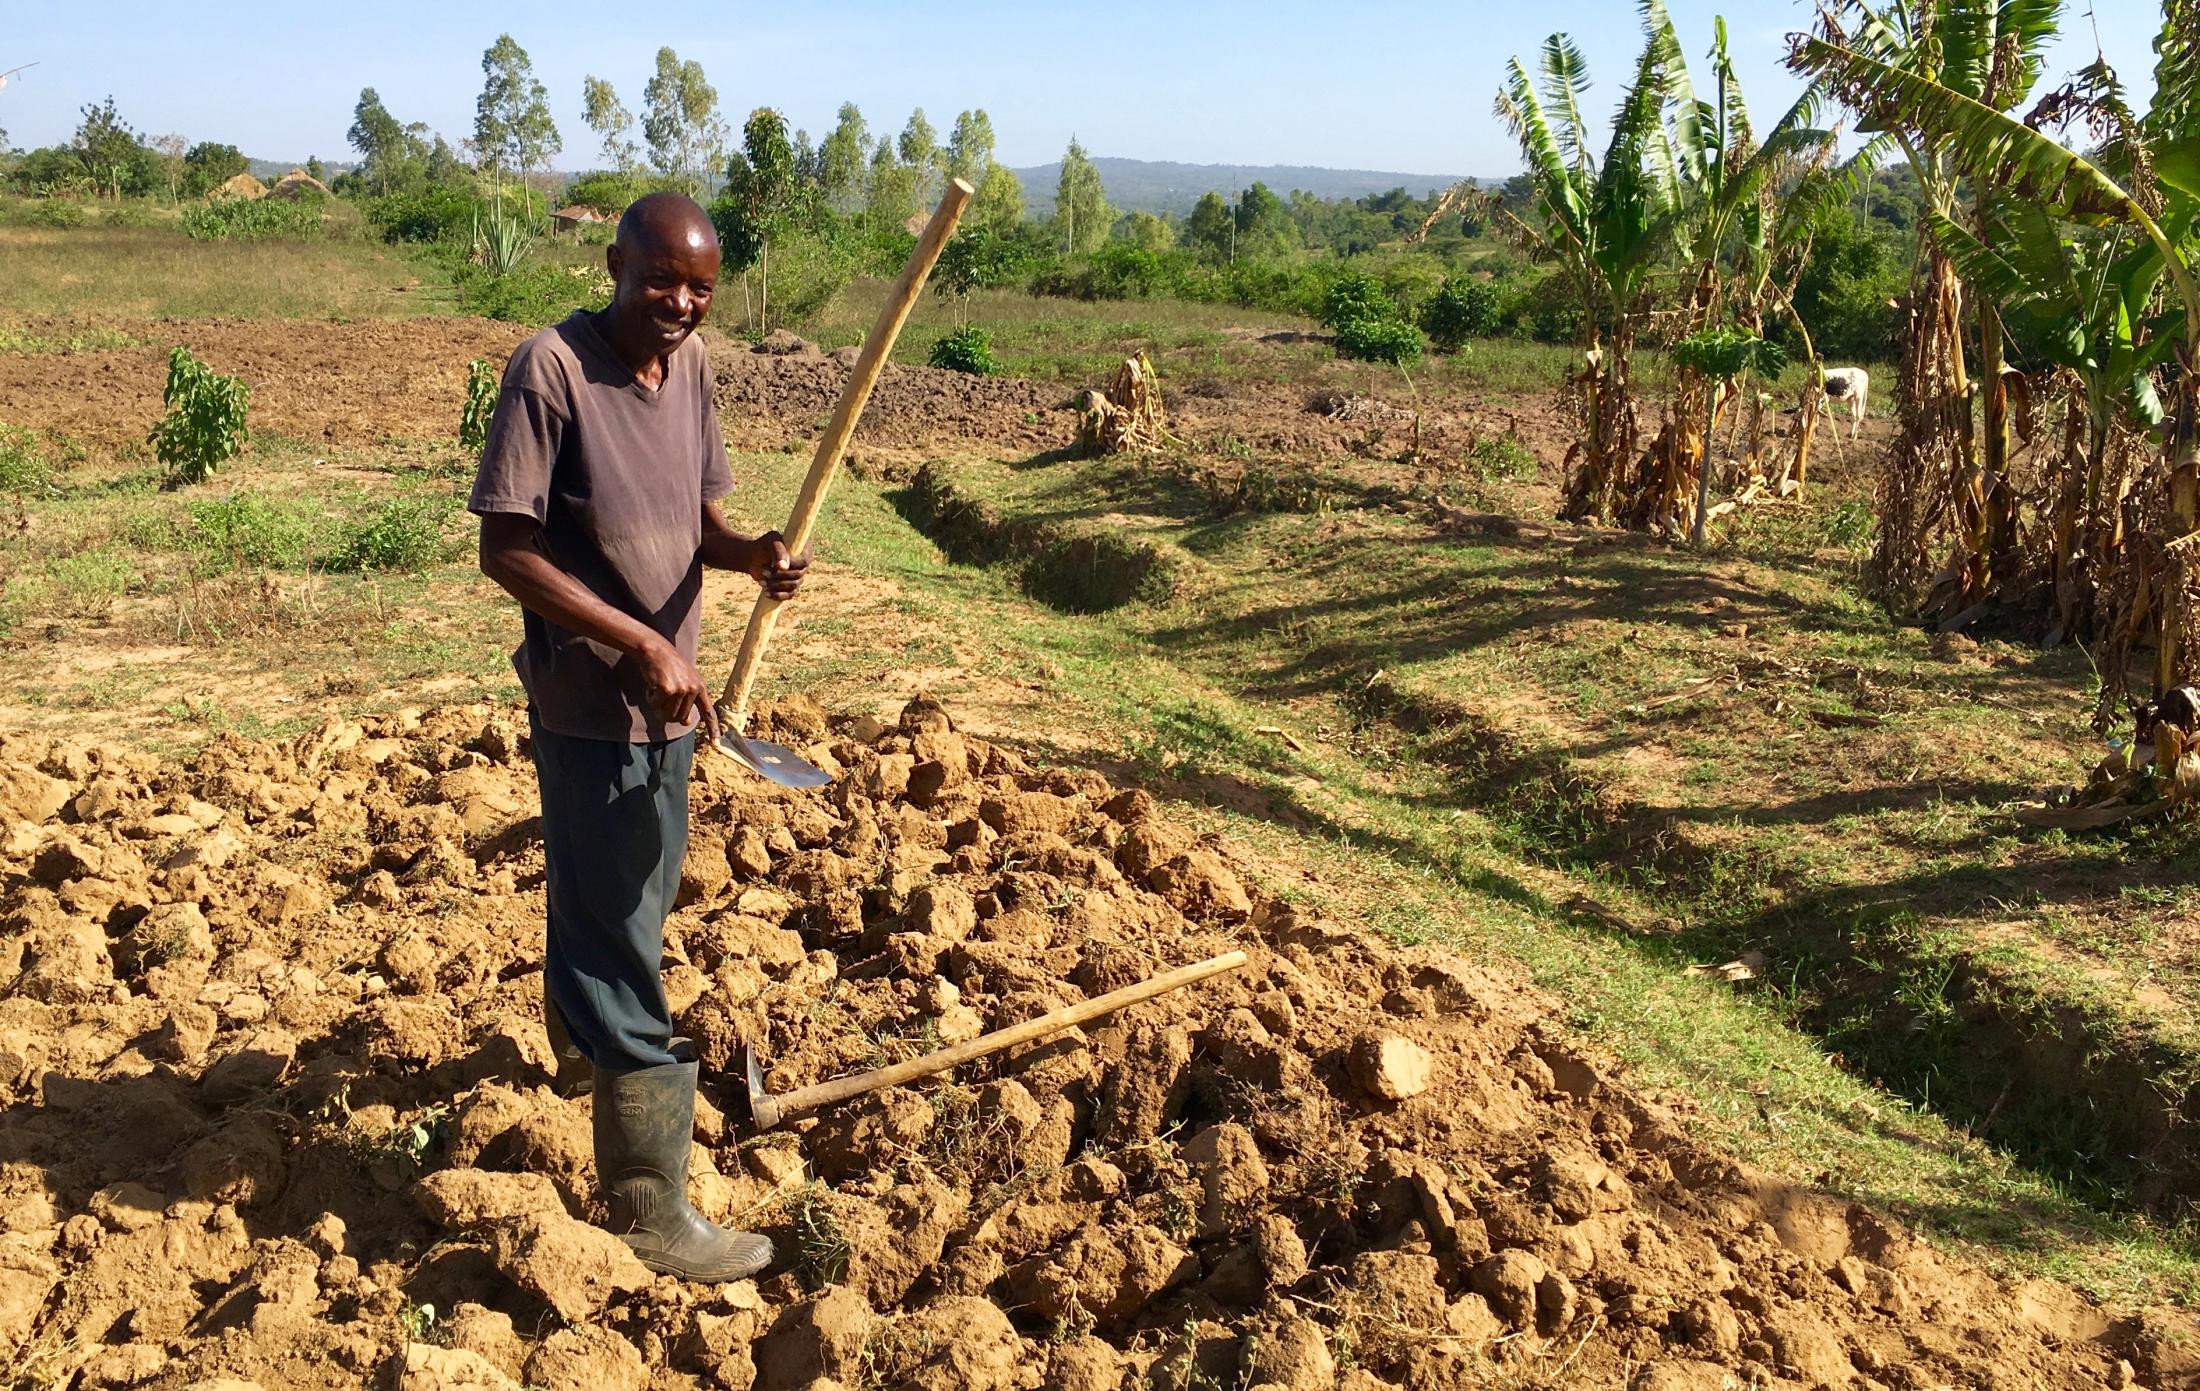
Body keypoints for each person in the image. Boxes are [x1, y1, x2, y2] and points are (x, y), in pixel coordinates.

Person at [469, 192, 806, 1282]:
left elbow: (697, 519)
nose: (679, 303)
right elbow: (508, 549)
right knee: (620, 921)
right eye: (660, 278)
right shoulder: (551, 371)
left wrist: (752, 553)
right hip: (592, 697)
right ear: (616, 261)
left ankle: (581, 1048)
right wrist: (638, 645)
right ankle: (651, 1206)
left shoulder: (692, 368)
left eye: (700, 288)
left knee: (627, 891)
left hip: (670, 697)